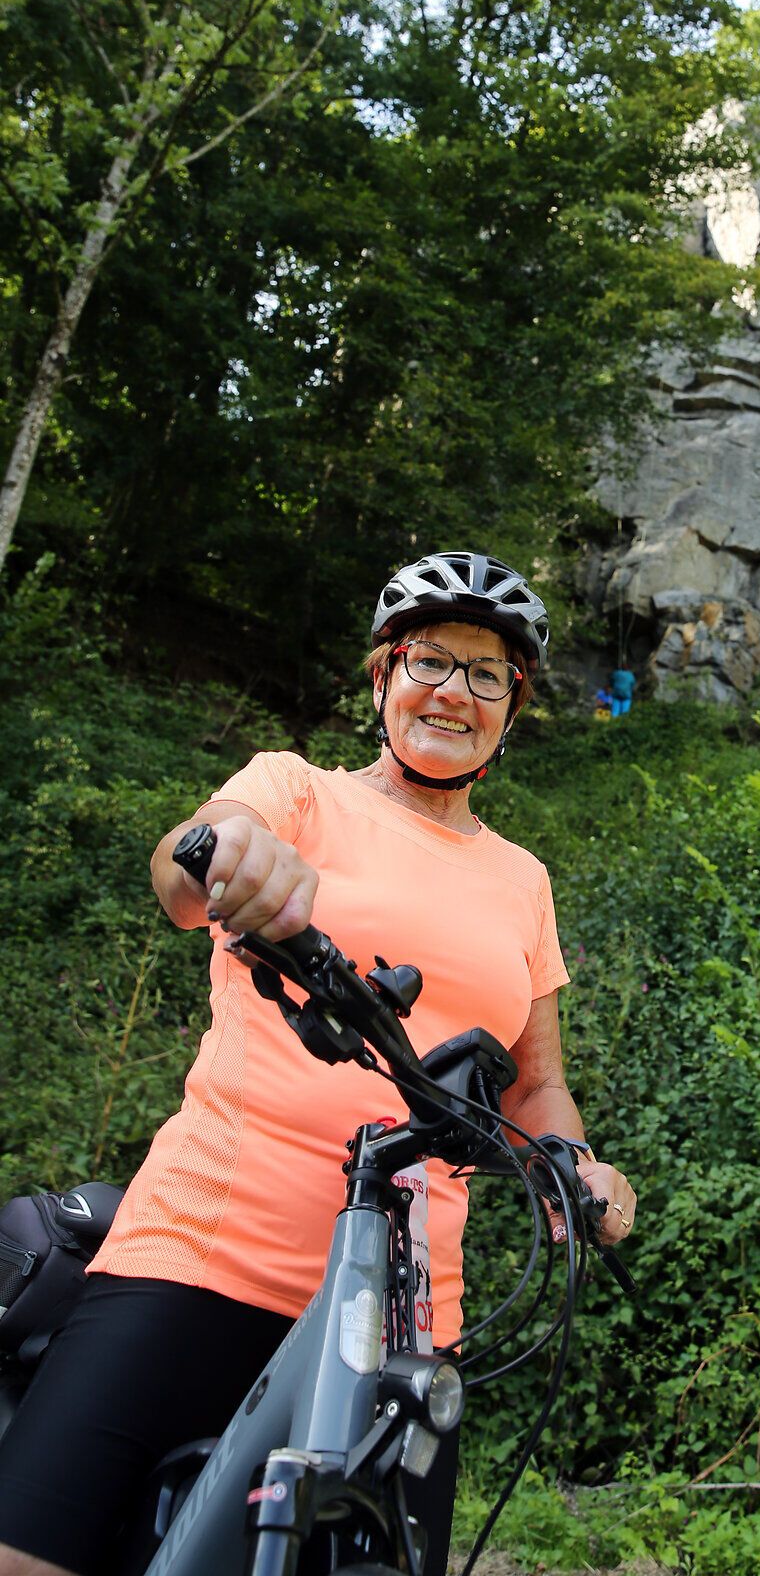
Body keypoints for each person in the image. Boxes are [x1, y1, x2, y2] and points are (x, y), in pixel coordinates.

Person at [0, 551, 636, 1576]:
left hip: (401, 1321)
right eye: (430, 660)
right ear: (383, 678)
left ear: (511, 709)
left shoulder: (523, 881)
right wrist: (231, 851)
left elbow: (536, 1083)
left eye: (487, 674)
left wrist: (581, 1169)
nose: (455, 691)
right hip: (206, 1252)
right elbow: (187, 863)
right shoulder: (295, 790)